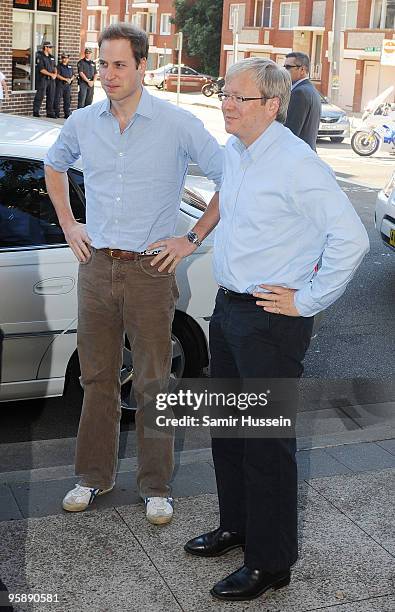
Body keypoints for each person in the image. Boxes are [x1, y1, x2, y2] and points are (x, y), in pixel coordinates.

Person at [148, 58, 369, 601]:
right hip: (229, 312)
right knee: (229, 432)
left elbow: (351, 240)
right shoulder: (239, 153)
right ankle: (238, 527)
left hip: (272, 319)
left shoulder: (296, 163)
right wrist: (193, 237)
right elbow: (228, 203)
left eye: (239, 98)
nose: (226, 103)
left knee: (267, 443)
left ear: (272, 105)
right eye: (226, 93)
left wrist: (309, 300)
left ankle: (271, 561)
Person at [44, 23, 222, 525]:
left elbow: (232, 177)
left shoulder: (177, 123)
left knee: (153, 381)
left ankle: (155, 485)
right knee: (97, 377)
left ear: (142, 66)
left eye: (120, 64)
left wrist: (192, 238)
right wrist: (68, 224)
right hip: (97, 266)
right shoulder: (83, 122)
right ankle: (92, 477)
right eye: (103, 64)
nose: (108, 74)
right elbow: (53, 166)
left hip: (150, 272)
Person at [284, 52, 321, 150]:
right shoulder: (311, 89)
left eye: (288, 67)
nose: (285, 70)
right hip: (306, 153)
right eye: (284, 66)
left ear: (302, 70)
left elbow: (291, 132)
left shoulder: (299, 93)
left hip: (297, 156)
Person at [33, 41, 57, 118]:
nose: (51, 49)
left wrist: (55, 74)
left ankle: (49, 113)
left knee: (51, 96)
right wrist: (51, 74)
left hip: (51, 80)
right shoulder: (40, 57)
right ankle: (36, 111)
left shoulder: (52, 57)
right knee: (40, 95)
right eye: (49, 47)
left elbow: (55, 67)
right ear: (45, 47)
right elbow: (41, 69)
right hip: (43, 79)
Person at [55, 53, 74, 119]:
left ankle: (67, 114)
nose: (64, 59)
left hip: (68, 86)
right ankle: (56, 114)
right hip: (60, 85)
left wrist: (70, 79)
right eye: (63, 58)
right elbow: (57, 75)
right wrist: (65, 79)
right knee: (57, 100)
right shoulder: (59, 66)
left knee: (67, 100)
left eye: (66, 58)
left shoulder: (70, 67)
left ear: (68, 59)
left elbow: (73, 75)